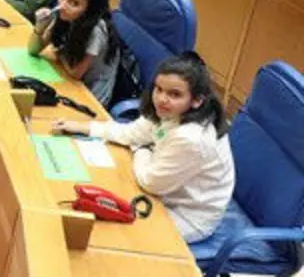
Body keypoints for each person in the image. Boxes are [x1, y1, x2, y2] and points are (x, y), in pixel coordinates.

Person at [54, 52, 234, 243]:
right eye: (159, 89)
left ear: (197, 100)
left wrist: (141, 150)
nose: (162, 99)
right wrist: (85, 127)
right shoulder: (170, 111)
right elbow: (132, 133)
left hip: (187, 215)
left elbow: (150, 182)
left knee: (114, 235)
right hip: (166, 188)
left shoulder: (191, 138)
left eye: (175, 94)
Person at [28, 0, 122, 107]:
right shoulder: (65, 15)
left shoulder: (96, 32)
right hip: (70, 79)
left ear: (90, 9)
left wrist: (59, 52)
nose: (63, 5)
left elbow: (76, 73)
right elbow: (33, 50)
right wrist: (40, 26)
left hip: (91, 96)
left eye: (74, 3)